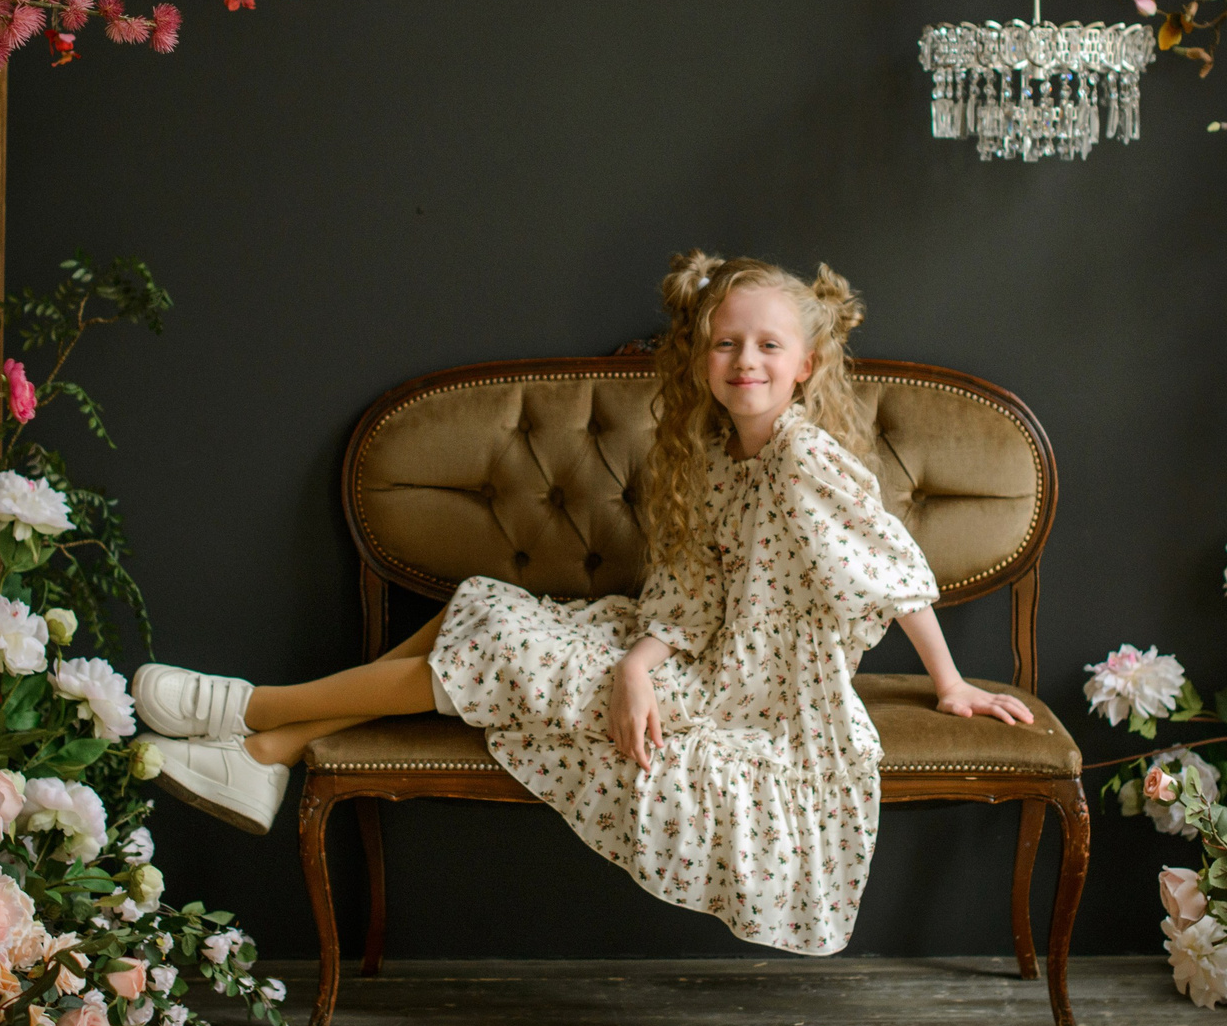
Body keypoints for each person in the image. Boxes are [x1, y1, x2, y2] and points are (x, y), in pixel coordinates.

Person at [131, 251, 1035, 954]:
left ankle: (256, 719)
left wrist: (950, 683)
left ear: (805, 363)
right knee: (483, 610)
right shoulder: (721, 451)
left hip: (755, 693)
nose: (745, 360)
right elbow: (692, 592)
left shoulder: (806, 457)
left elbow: (893, 567)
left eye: (767, 345)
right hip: (695, 652)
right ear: (702, 355)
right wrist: (640, 661)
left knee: (497, 642)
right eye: (726, 342)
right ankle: (267, 746)